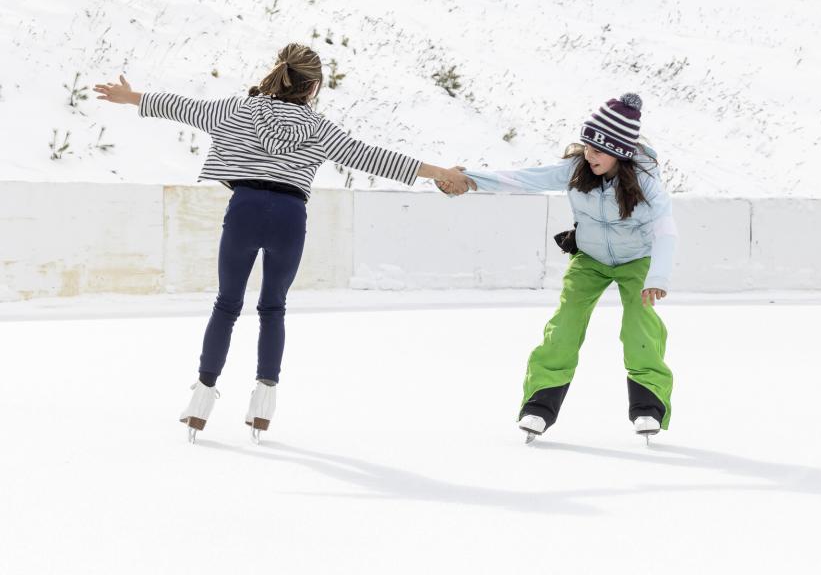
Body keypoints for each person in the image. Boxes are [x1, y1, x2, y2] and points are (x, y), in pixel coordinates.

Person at [95, 42, 475, 443]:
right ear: (313, 88)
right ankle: (263, 404)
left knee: (227, 305)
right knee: (272, 308)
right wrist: (440, 172)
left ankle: (201, 401)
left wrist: (131, 97)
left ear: (278, 73)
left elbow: (182, 106)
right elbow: (373, 157)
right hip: (291, 216)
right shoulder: (320, 128)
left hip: (244, 209)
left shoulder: (237, 110)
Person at [449, 94, 677, 442]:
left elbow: (665, 229)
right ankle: (539, 405)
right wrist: (473, 179)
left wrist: (657, 276)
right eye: (588, 147)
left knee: (639, 324)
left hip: (637, 261)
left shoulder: (645, 181)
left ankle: (648, 405)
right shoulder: (577, 169)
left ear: (620, 152)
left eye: (600, 151)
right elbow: (525, 179)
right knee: (565, 323)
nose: (590, 156)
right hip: (589, 259)